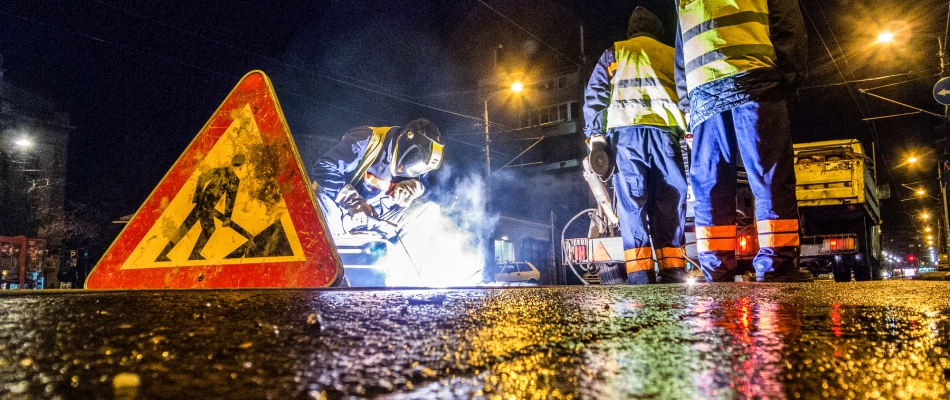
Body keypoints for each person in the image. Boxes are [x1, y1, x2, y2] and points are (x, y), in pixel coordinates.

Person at [673, 0, 810, 282]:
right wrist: (788, 78)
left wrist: (688, 102)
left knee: (710, 185)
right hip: (756, 79)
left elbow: (681, 46)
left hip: (703, 92)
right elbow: (788, 24)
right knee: (768, 174)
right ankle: (776, 267)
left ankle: (716, 270)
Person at [583, 7, 689, 285]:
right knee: (669, 204)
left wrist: (596, 139)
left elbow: (595, 96)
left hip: (627, 140)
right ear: (657, 30)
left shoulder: (614, 53)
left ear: (631, 30)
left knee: (632, 207)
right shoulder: (670, 53)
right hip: (665, 137)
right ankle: (673, 273)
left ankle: (640, 276)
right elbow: (687, 93)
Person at [310, 118, 443, 237]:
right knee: (318, 202)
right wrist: (353, 202)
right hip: (336, 210)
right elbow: (323, 167)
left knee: (429, 210)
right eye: (406, 161)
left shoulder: (419, 163)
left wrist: (416, 187)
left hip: (374, 220)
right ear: (402, 139)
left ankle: (401, 263)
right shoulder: (365, 138)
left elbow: (426, 187)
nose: (402, 169)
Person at [156, 154, 244, 262]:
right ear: (240, 165)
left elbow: (229, 199)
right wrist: (226, 217)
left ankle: (164, 254)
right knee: (206, 229)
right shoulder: (232, 178)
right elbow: (229, 200)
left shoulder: (224, 173)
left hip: (204, 205)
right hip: (206, 206)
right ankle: (194, 254)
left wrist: (198, 198)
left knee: (186, 227)